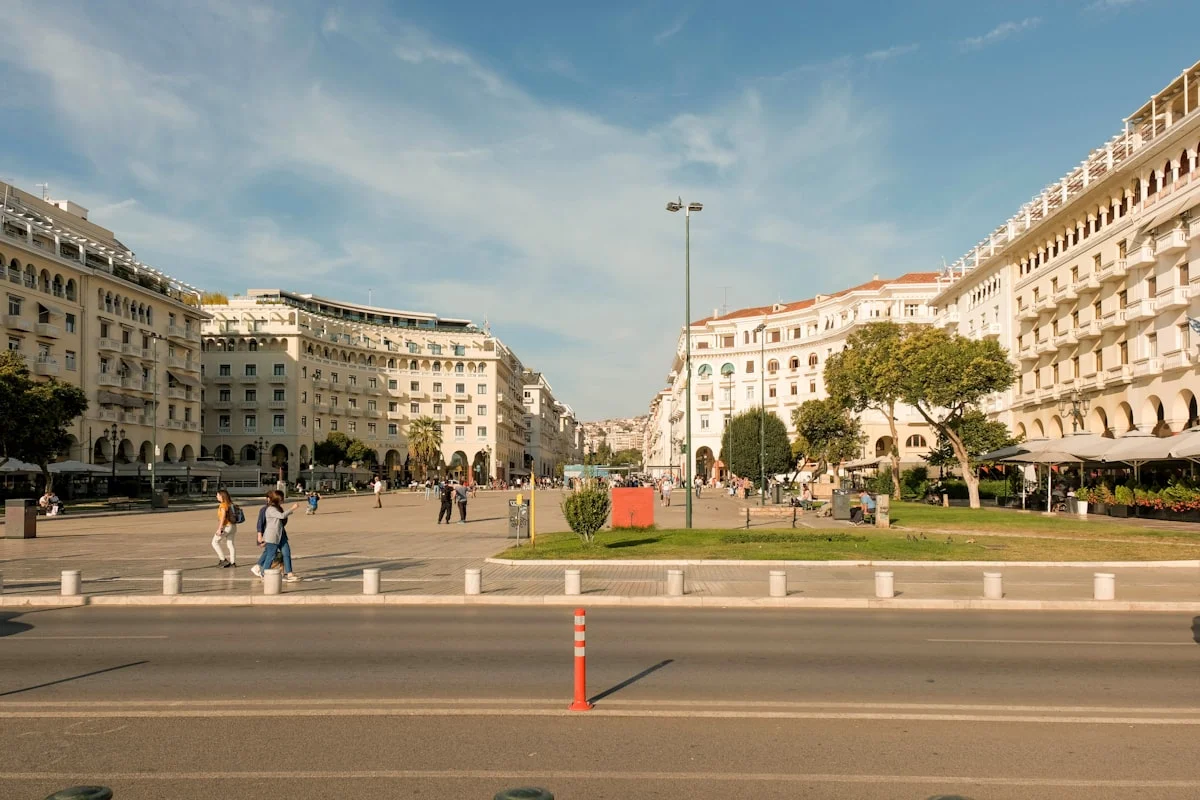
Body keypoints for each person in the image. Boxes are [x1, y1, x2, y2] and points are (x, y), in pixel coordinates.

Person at [252, 490, 300, 582]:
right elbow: (281, 516)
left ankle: (289, 573)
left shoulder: (277, 508)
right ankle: (264, 574)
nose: (283, 500)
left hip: (281, 535)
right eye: (282, 498)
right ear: (277, 499)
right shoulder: (270, 509)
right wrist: (293, 508)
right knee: (271, 555)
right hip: (272, 536)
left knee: (286, 553)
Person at [213, 489, 237, 568]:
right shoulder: (230, 504)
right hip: (233, 526)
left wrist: (219, 529)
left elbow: (223, 518)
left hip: (226, 527)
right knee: (230, 544)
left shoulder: (223, 505)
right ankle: (233, 563)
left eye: (218, 495)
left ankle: (223, 560)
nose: (217, 496)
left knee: (214, 542)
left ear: (222, 496)